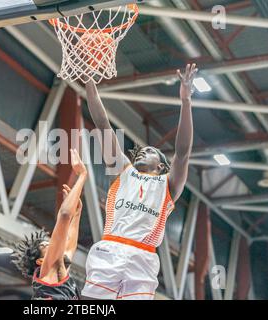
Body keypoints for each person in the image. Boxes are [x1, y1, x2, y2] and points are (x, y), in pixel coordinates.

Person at [81, 64, 198, 300]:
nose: (143, 152)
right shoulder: (123, 171)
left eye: (151, 151)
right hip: (111, 248)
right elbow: (103, 125)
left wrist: (186, 102)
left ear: (162, 166)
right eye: (141, 151)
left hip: (143, 257)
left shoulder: (168, 185)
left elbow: (183, 152)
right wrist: (90, 83)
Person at [12, 149, 87, 300]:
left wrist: (77, 213)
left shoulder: (60, 271)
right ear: (41, 261)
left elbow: (69, 245)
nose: (53, 243)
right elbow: (65, 215)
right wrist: (82, 175)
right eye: (47, 245)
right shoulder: (47, 274)